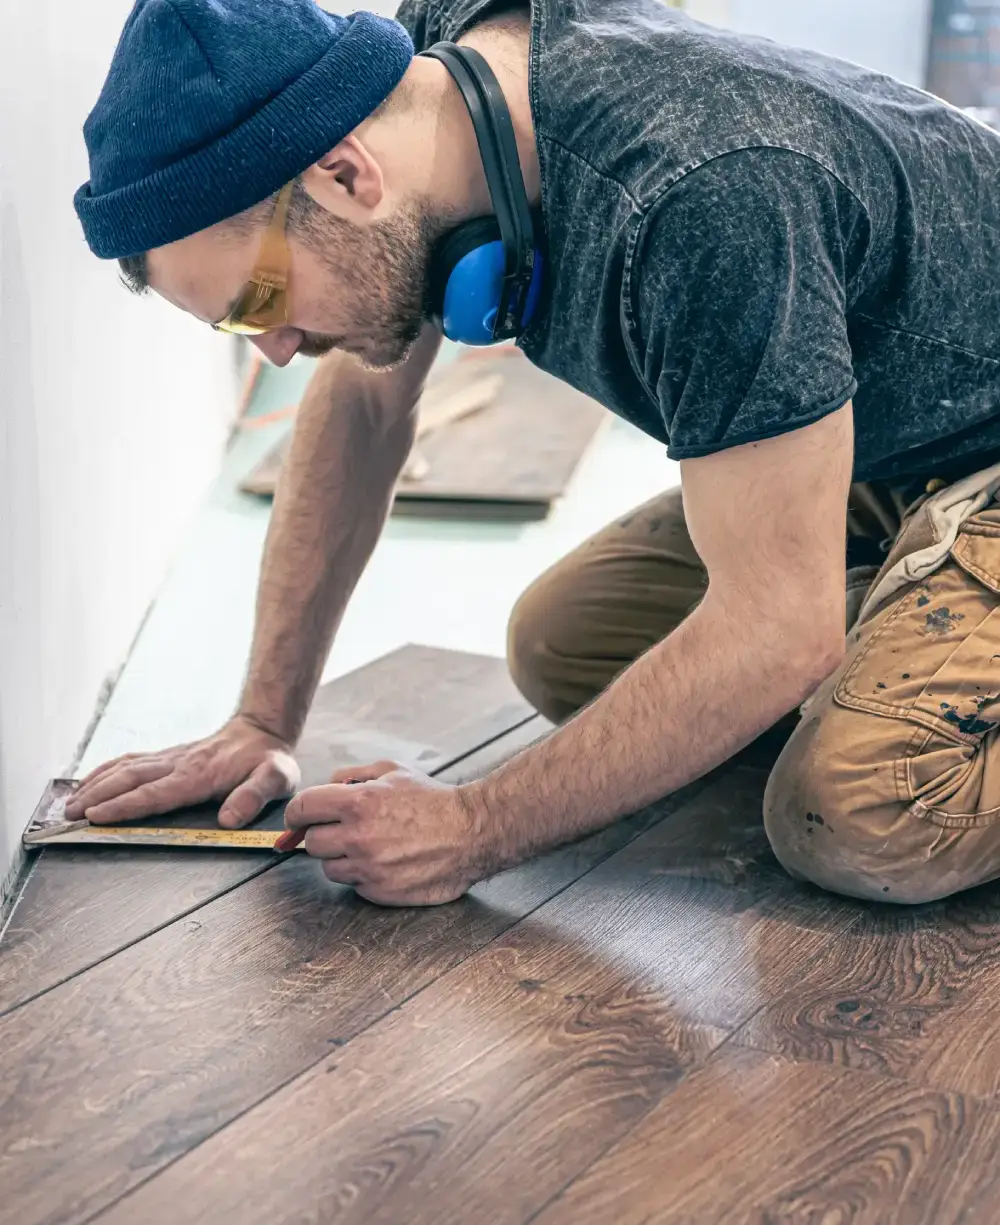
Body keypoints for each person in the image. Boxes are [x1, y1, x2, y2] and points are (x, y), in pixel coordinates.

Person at [68, 0, 1000, 908]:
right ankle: (911, 619)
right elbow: (360, 405)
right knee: (564, 646)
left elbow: (780, 631)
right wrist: (262, 720)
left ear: (347, 179)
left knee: (858, 807)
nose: (272, 351)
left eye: (255, 305)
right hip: (898, 440)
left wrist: (473, 827)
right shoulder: (423, 76)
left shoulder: (702, 198)